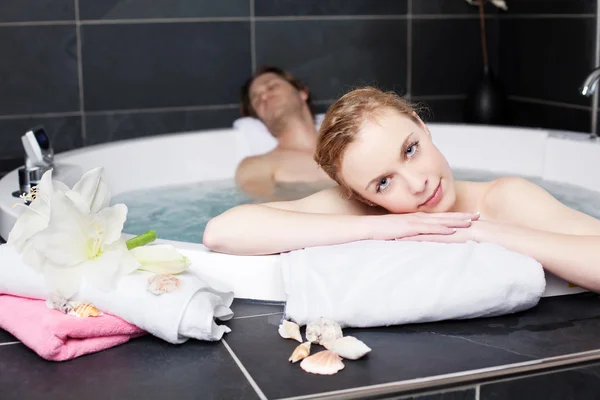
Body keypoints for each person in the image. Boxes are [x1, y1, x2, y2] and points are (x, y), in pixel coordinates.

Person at [206, 87, 600, 293]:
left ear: (420, 124)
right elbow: (222, 232)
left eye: (410, 150)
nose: (417, 185)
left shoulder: (503, 199)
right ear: (362, 197)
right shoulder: (371, 213)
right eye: (383, 182)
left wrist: (484, 232)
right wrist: (382, 228)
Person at [236, 66, 335, 200]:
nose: (264, 96)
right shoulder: (256, 165)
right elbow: (265, 212)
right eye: (256, 99)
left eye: (271, 87)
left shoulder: (348, 145)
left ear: (302, 92)